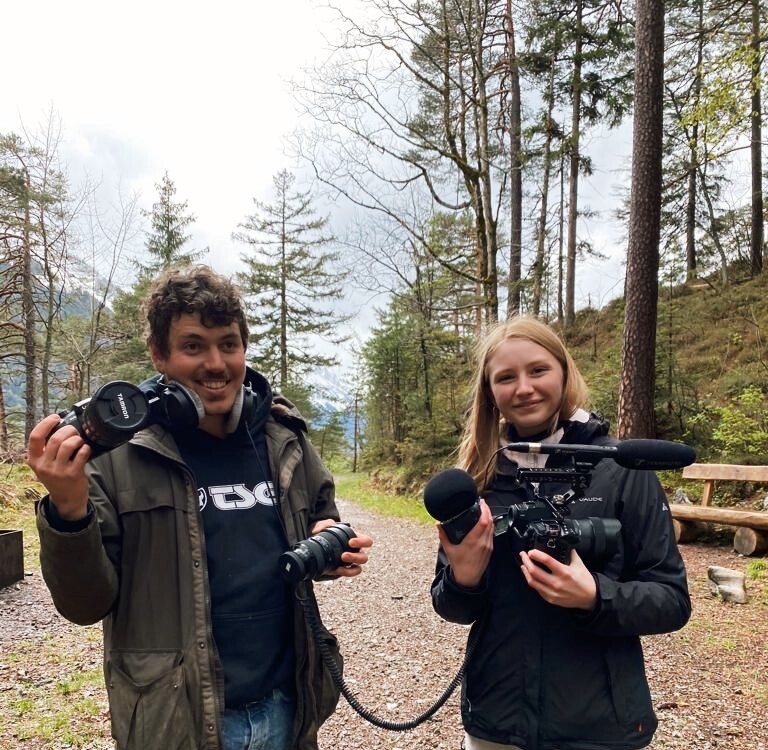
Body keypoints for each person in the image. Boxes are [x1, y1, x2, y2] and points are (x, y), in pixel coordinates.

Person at [26, 264, 372, 750]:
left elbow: (321, 510)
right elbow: (85, 605)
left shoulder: (282, 437)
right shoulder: (115, 458)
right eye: (193, 346)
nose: (216, 363)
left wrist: (329, 542)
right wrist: (68, 509)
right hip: (177, 721)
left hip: (287, 708)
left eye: (228, 344)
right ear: (158, 355)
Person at [430, 317, 691, 750]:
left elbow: (672, 601)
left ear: (565, 373)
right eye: (506, 377)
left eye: (538, 370)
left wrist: (593, 597)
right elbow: (452, 608)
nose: (524, 388)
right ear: (490, 392)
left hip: (600, 725)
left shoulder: (621, 469)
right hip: (496, 721)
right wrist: (464, 577)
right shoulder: (475, 479)